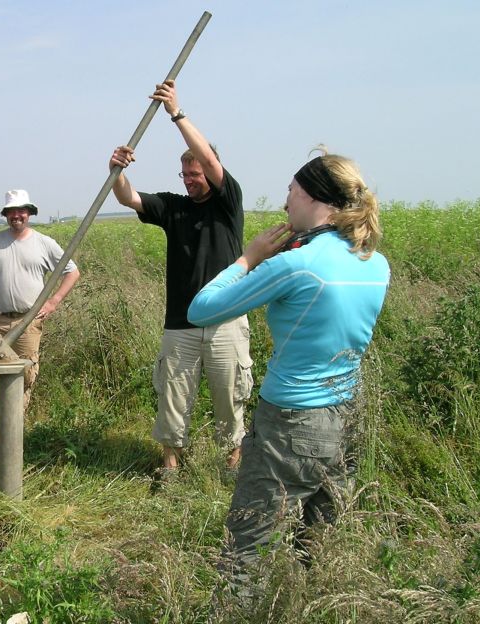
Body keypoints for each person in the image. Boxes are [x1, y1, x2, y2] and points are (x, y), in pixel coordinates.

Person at [186, 151, 390, 602]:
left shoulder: (298, 263)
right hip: (347, 413)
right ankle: (316, 604)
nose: (284, 206)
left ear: (316, 198)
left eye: (290, 194)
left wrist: (249, 258)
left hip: (291, 421)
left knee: (249, 541)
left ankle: (236, 611)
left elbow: (201, 309)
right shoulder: (375, 262)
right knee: (320, 537)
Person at [109, 79, 253, 473]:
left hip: (226, 321)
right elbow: (127, 197)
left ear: (210, 171)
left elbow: (209, 160)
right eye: (184, 175)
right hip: (181, 323)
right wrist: (116, 171)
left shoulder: (228, 203)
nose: (189, 180)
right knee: (172, 397)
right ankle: (170, 466)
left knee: (230, 397)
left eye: (195, 174)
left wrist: (176, 112)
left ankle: (231, 465)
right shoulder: (174, 207)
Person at [0, 189, 81, 413]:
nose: (16, 215)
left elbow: (72, 272)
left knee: (25, 374)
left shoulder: (44, 243)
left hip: (28, 321)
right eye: (11, 211)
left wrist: (53, 302)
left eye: (21, 211)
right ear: (6, 215)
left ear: (29, 213)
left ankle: (14, 426)